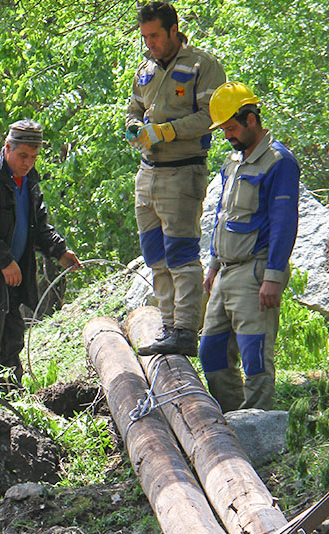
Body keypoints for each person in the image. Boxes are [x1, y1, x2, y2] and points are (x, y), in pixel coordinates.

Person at [125, 1, 225, 356]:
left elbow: (211, 118)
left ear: (173, 30)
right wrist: (135, 127)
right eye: (144, 37)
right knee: (156, 255)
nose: (149, 43)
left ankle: (185, 330)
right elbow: (133, 107)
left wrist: (164, 132)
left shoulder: (202, 65)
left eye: (154, 36)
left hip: (183, 171)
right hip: (147, 173)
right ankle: (167, 327)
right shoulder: (145, 69)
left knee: (181, 255)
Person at [0, 119, 81, 380]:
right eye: (22, 156)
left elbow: (37, 227)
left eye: (33, 157)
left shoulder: (29, 181)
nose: (27, 162)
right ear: (7, 147)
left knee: (11, 344)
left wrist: (59, 250)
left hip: (10, 281)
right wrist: (5, 261)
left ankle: (12, 404)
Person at [199, 82, 300, 411]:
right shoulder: (232, 162)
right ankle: (234, 419)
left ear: (251, 119)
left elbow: (284, 222)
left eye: (231, 128)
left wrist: (272, 276)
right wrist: (213, 264)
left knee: (255, 356)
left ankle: (259, 426)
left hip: (255, 271)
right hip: (226, 272)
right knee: (211, 353)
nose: (227, 135)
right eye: (224, 129)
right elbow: (221, 215)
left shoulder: (279, 162)